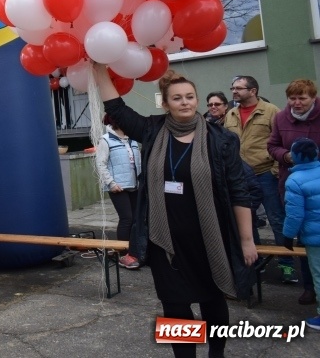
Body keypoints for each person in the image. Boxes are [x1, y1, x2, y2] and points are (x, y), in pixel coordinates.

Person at [95, 65, 256, 358]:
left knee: (212, 300)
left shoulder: (221, 139)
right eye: (177, 98)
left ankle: (216, 353)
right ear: (166, 103)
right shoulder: (152, 130)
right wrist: (98, 69)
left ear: (197, 100)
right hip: (164, 240)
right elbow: (116, 107)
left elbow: (238, 191)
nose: (185, 102)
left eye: (190, 97)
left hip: (209, 239)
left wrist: (247, 241)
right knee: (174, 305)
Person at [225, 76, 294, 283]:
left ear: (253, 90)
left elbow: (281, 142)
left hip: (265, 174)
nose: (234, 91)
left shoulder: (271, 111)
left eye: (239, 88)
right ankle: (255, 262)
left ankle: (287, 264)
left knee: (276, 219)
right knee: (248, 221)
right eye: (233, 88)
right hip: (241, 177)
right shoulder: (231, 114)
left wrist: (275, 170)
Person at [268, 78, 320, 304]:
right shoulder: (281, 117)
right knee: (304, 237)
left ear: (313, 98)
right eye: (292, 98)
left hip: (317, 184)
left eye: (302, 98)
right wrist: (286, 155)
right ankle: (309, 287)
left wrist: (310, 158)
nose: (297, 103)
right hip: (292, 182)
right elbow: (272, 146)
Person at [282, 138, 320, 330]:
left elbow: (295, 214)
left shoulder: (295, 180)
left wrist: (288, 236)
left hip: (315, 238)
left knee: (319, 275)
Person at [96, 113, 141, 270]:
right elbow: (100, 164)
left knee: (136, 219)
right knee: (127, 218)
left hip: (135, 185)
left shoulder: (132, 139)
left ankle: (134, 251)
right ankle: (123, 253)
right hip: (117, 187)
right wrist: (111, 183)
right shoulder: (106, 140)